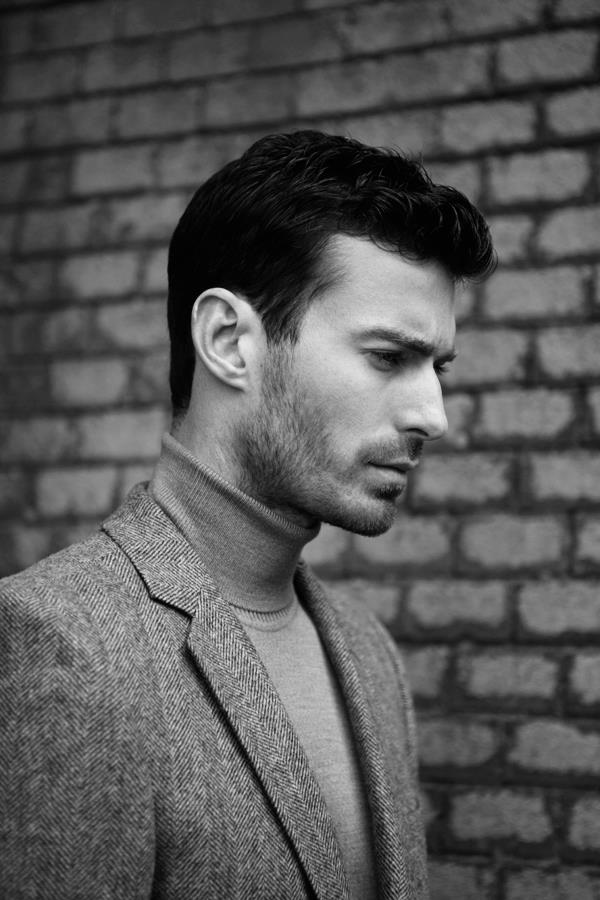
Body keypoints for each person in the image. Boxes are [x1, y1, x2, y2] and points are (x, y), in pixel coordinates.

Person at [0, 130, 495, 899]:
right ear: (229, 341)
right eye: (389, 357)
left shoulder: (368, 652)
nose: (433, 413)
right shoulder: (66, 645)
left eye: (439, 367)